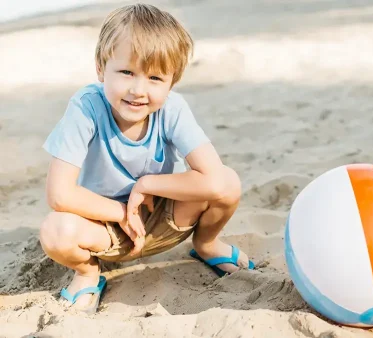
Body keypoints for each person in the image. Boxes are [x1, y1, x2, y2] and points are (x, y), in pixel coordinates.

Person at [39, 3, 254, 313]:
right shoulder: (86, 107)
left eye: (155, 78)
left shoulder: (172, 109)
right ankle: (88, 273)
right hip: (107, 228)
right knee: (55, 231)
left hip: (166, 218)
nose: (138, 90)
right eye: (126, 72)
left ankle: (207, 245)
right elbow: (59, 194)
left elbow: (215, 179)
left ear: (172, 83)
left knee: (228, 182)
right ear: (101, 68)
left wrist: (149, 184)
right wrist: (122, 211)